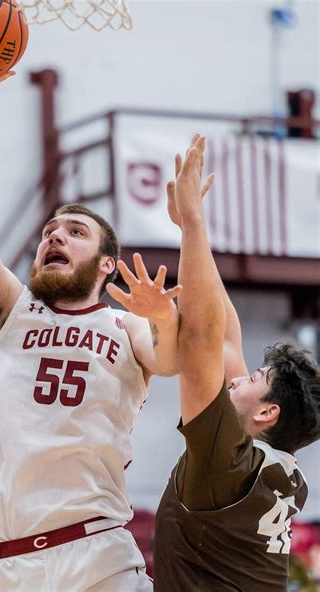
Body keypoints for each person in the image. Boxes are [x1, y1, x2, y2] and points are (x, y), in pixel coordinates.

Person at [0, 45, 182, 591]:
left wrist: (162, 312)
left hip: (97, 553)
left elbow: (170, 357)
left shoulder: (125, 326)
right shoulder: (5, 311)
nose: (55, 235)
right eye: (51, 229)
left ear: (106, 264)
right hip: (3, 563)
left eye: (75, 232)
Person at [133, 135, 318, 591]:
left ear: (267, 412)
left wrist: (193, 222)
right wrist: (191, 230)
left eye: (254, 379)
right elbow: (227, 336)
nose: (238, 379)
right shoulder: (274, 467)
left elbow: (201, 337)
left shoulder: (227, 463)